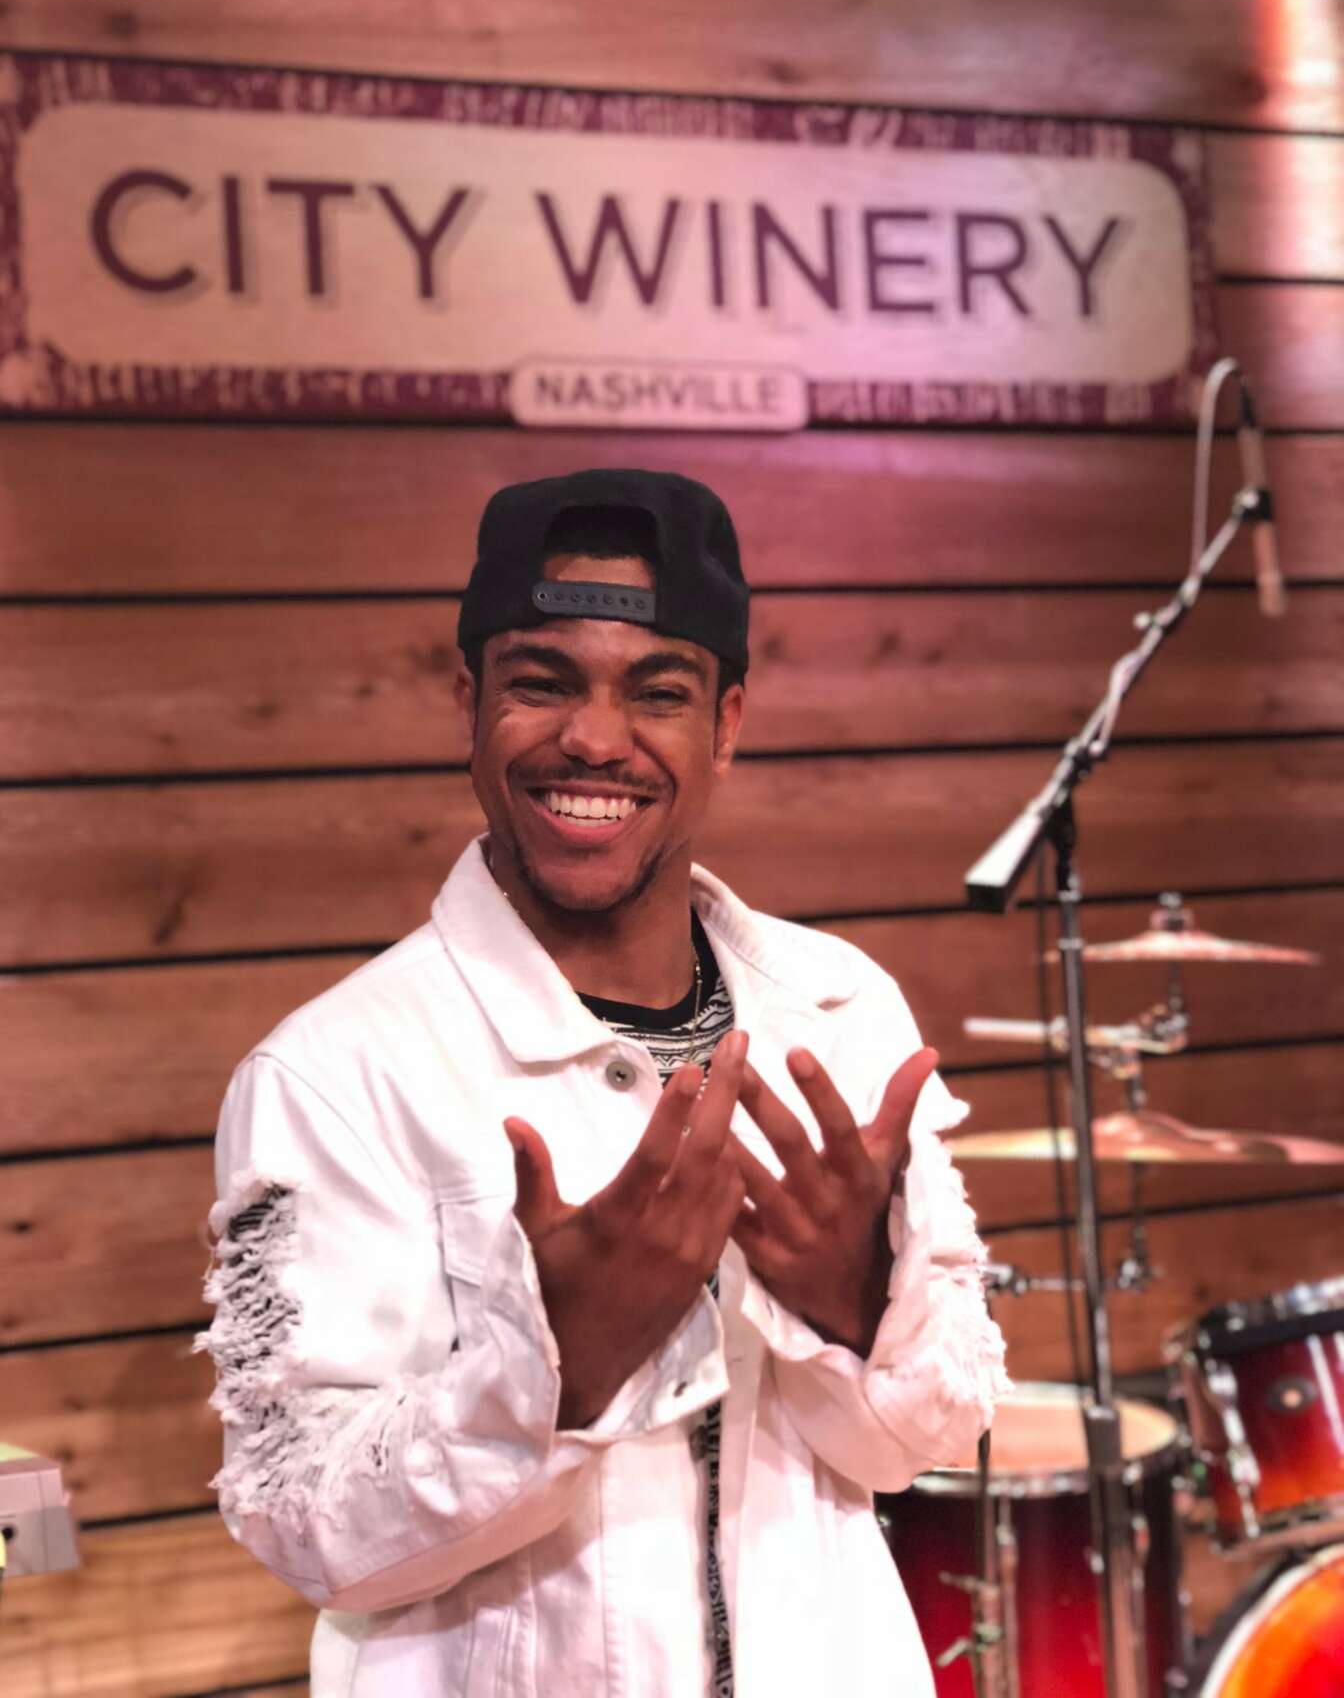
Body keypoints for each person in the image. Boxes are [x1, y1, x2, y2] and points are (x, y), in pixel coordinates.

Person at [198, 467, 1009, 1697]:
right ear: (469, 703)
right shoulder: (330, 1073)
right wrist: (558, 1374)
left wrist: (856, 1307)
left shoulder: (841, 1011)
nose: (593, 738)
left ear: (726, 725)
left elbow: (925, 1443)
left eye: (658, 692)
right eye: (541, 682)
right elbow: (304, 1525)